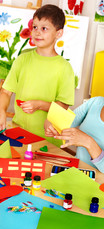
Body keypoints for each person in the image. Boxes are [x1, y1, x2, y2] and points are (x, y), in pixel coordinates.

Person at [0, 4, 75, 146]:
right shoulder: (22, 59)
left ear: (58, 33)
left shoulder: (64, 68)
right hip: (18, 132)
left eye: (44, 28)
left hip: (46, 139)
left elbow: (63, 104)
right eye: (34, 27)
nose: (37, 32)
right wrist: (1, 110)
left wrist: (40, 105)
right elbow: (6, 91)